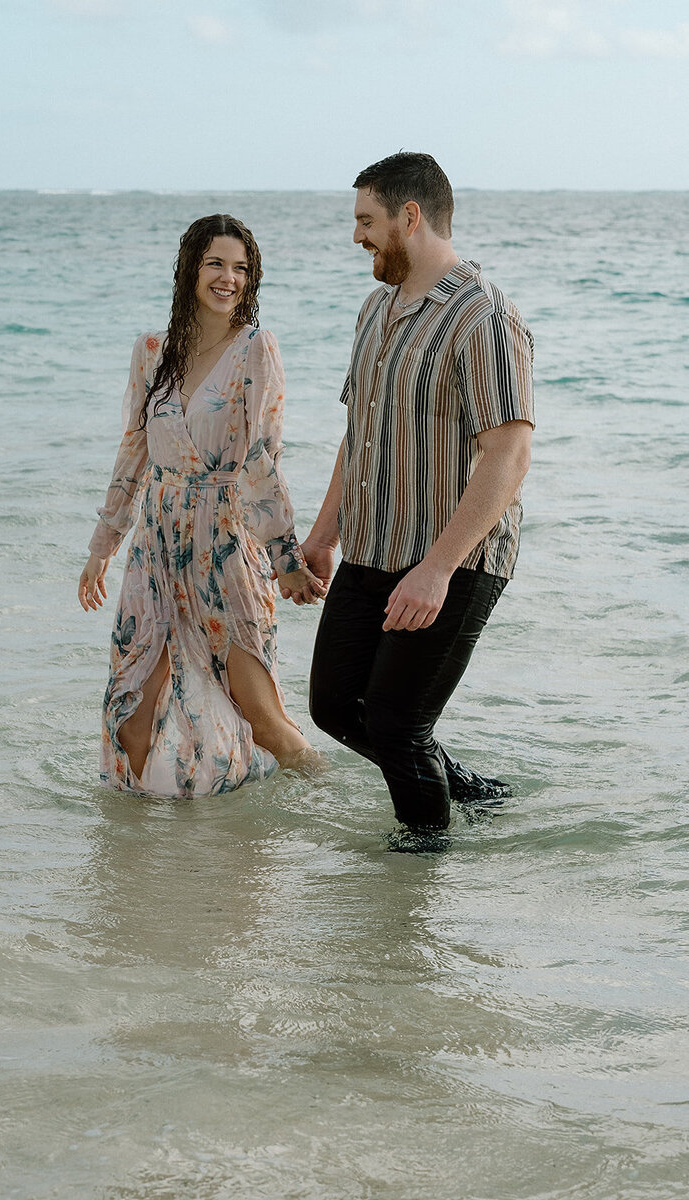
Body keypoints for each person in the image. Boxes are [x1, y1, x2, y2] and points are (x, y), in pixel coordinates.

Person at [293, 152, 535, 845]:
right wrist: (322, 535)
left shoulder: (483, 317)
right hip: (373, 549)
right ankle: (465, 791)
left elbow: (508, 455)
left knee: (399, 724)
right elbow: (358, 433)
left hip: (454, 559)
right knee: (335, 706)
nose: (357, 236)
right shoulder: (375, 310)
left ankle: (417, 872)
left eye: (366, 221)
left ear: (410, 216)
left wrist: (436, 569)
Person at [79, 214, 325, 798]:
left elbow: (261, 458)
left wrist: (284, 558)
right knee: (134, 712)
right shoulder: (150, 352)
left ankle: (338, 814)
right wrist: (101, 549)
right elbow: (133, 453)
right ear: (190, 268)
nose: (228, 278)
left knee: (260, 713)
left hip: (223, 547)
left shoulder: (254, 349)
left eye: (241, 268)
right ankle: (137, 862)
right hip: (155, 550)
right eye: (216, 263)